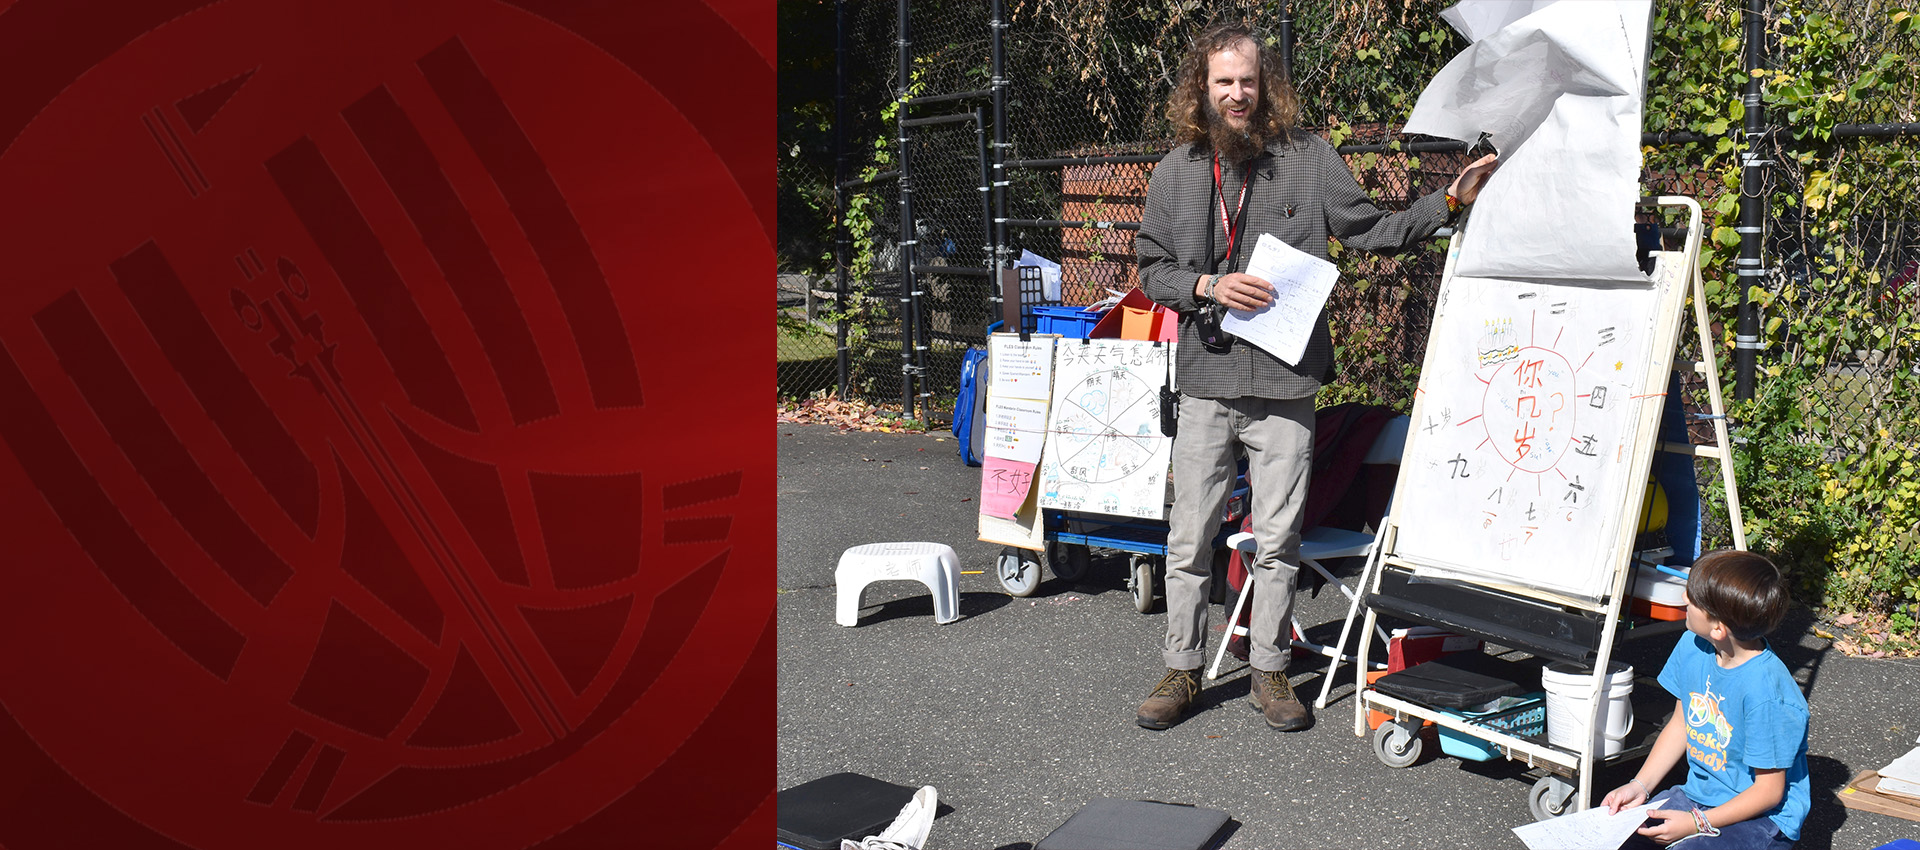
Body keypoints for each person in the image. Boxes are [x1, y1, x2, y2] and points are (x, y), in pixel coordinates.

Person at [1133, 20, 1498, 732]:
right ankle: (1181, 667)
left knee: (1280, 542)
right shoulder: (1176, 170)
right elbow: (1151, 269)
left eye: (1248, 81)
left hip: (1285, 384)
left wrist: (1449, 202)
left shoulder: (1309, 157)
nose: (1237, 95)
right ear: (1200, 90)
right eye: (1223, 83)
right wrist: (1208, 286)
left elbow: (1371, 231)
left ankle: (1270, 670)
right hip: (1205, 381)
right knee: (1188, 540)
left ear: (1264, 85)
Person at [1601, 550, 1809, 849]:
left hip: (1763, 818)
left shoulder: (1768, 696)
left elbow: (1769, 792)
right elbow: (1682, 722)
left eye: (1694, 598)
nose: (1685, 599)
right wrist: (1640, 786)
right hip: (1698, 796)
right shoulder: (1694, 644)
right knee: (1617, 839)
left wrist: (1697, 823)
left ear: (1718, 628)